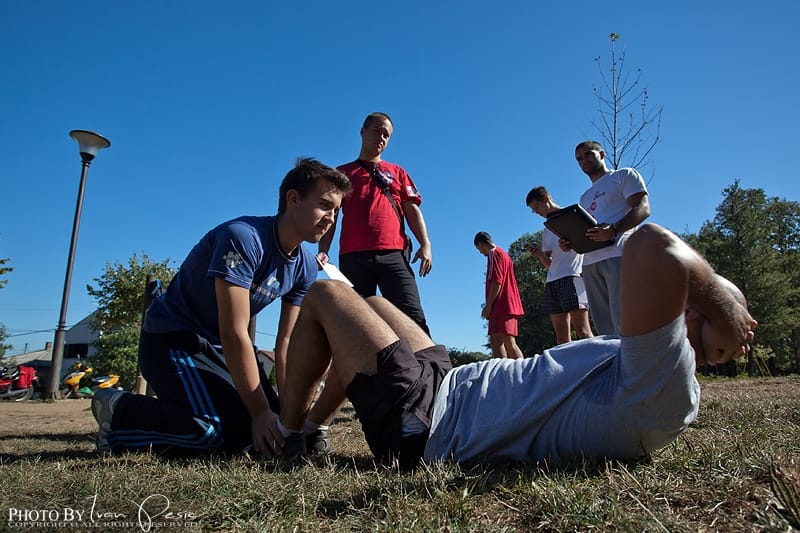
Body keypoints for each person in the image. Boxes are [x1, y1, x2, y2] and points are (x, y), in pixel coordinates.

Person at [276, 223, 756, 467]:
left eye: (705, 314)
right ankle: (316, 428)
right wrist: (717, 307)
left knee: (326, 293)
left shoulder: (665, 384)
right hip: (453, 384)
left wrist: (725, 303)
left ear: (724, 345)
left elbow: (653, 244)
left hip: (431, 421)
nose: (688, 307)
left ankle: (289, 433)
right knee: (374, 306)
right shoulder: (654, 372)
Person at [90, 157, 352, 457]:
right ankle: (120, 412)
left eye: (336, 211)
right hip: (172, 340)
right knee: (216, 434)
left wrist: (286, 417)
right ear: (293, 199)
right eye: (324, 205)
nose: (331, 218)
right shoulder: (242, 238)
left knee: (270, 431)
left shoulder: (305, 265)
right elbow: (234, 331)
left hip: (219, 351)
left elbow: (287, 344)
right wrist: (259, 413)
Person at [317, 112, 432, 335]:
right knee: (357, 322)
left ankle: (427, 368)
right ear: (362, 131)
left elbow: (411, 209)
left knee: (412, 317)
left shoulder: (398, 172)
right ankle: (363, 370)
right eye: (376, 131)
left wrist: (425, 244)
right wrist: (323, 251)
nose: (381, 138)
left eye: (386, 135)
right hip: (353, 258)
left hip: (393, 254)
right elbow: (332, 214)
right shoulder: (342, 174)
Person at [560, 141, 651, 335]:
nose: (583, 160)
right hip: (590, 263)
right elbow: (586, 230)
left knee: (626, 321)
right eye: (579, 159)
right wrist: (571, 242)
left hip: (619, 256)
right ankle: (615, 365)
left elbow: (643, 209)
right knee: (605, 330)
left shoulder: (623, 176)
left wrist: (614, 230)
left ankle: (638, 363)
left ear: (602, 154)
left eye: (587, 155)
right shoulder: (585, 197)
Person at [526, 186, 594, 345]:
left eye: (536, 207)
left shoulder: (573, 215)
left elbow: (587, 243)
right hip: (552, 282)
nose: (536, 212)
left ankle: (600, 365)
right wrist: (539, 254)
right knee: (562, 339)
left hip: (573, 278)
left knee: (583, 331)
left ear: (547, 198)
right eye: (532, 210)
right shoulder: (547, 228)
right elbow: (549, 264)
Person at [473, 232, 524, 359]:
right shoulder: (504, 254)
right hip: (509, 304)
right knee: (505, 341)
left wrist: (488, 305)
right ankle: (517, 372)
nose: (480, 252)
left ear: (481, 244)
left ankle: (505, 374)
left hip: (502, 305)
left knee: (499, 341)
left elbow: (497, 280)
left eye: (478, 248)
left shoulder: (494, 254)